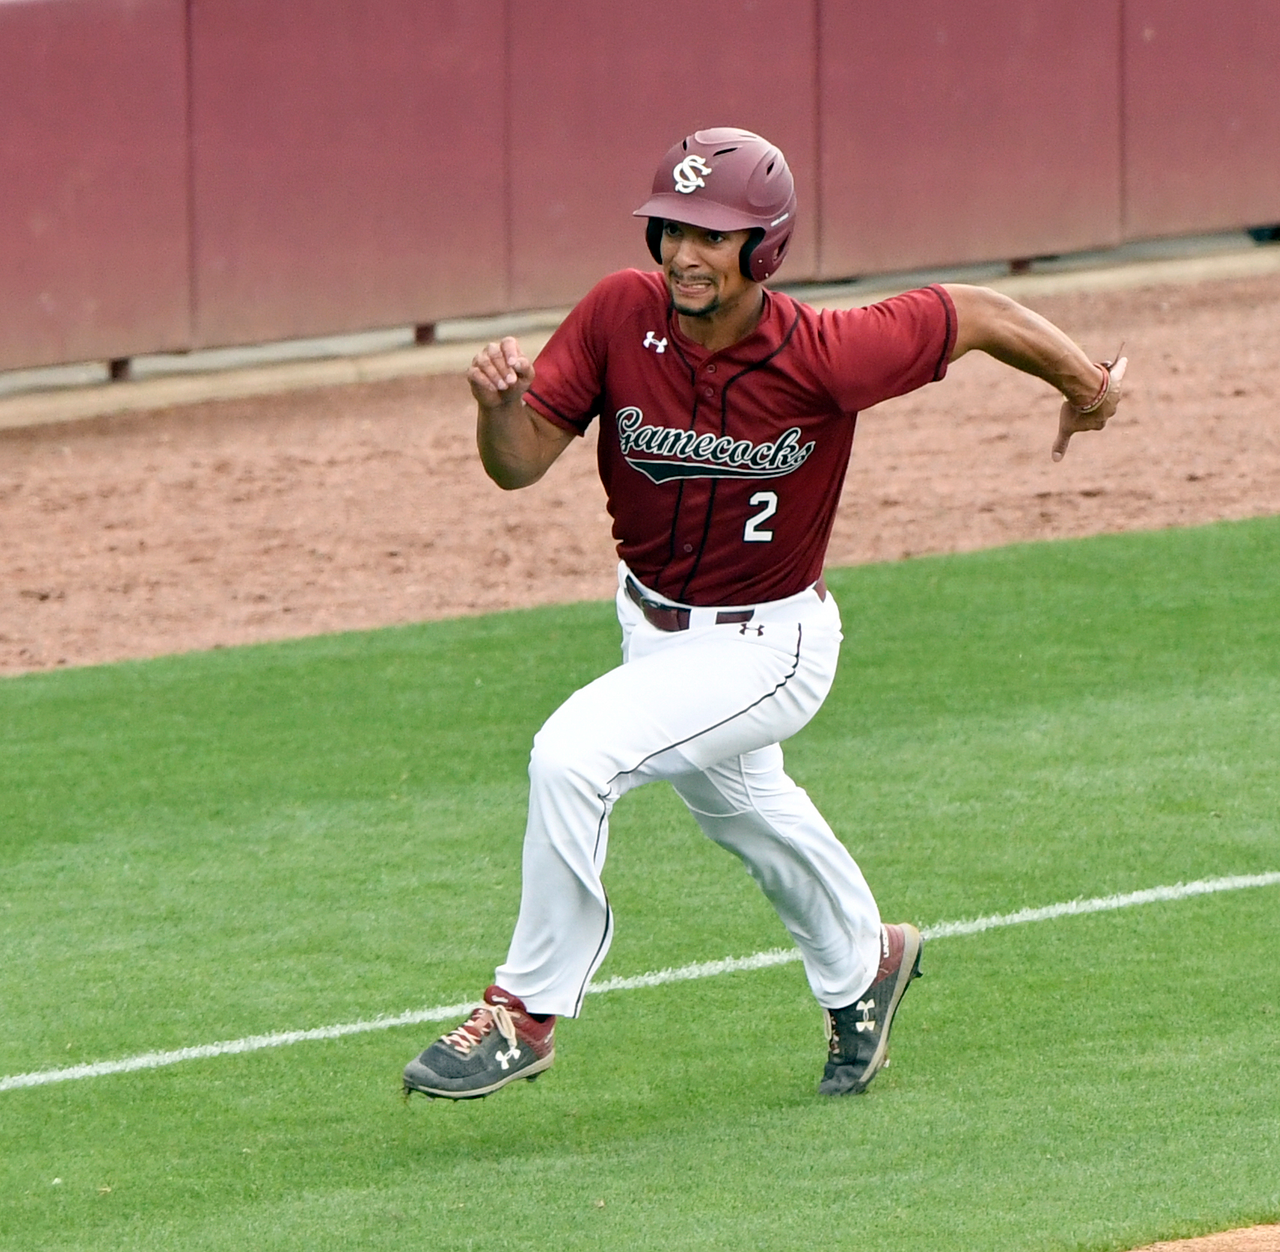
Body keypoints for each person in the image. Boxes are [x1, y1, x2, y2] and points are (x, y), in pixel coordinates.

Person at [402, 127, 1126, 1101]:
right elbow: (518, 464)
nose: (683, 254)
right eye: (672, 229)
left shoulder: (825, 352)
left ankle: (523, 1011)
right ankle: (863, 963)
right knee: (745, 811)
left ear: (764, 247)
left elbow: (976, 313)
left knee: (573, 755)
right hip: (651, 627)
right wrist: (500, 408)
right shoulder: (618, 314)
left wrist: (1087, 386)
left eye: (712, 235)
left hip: (767, 646)